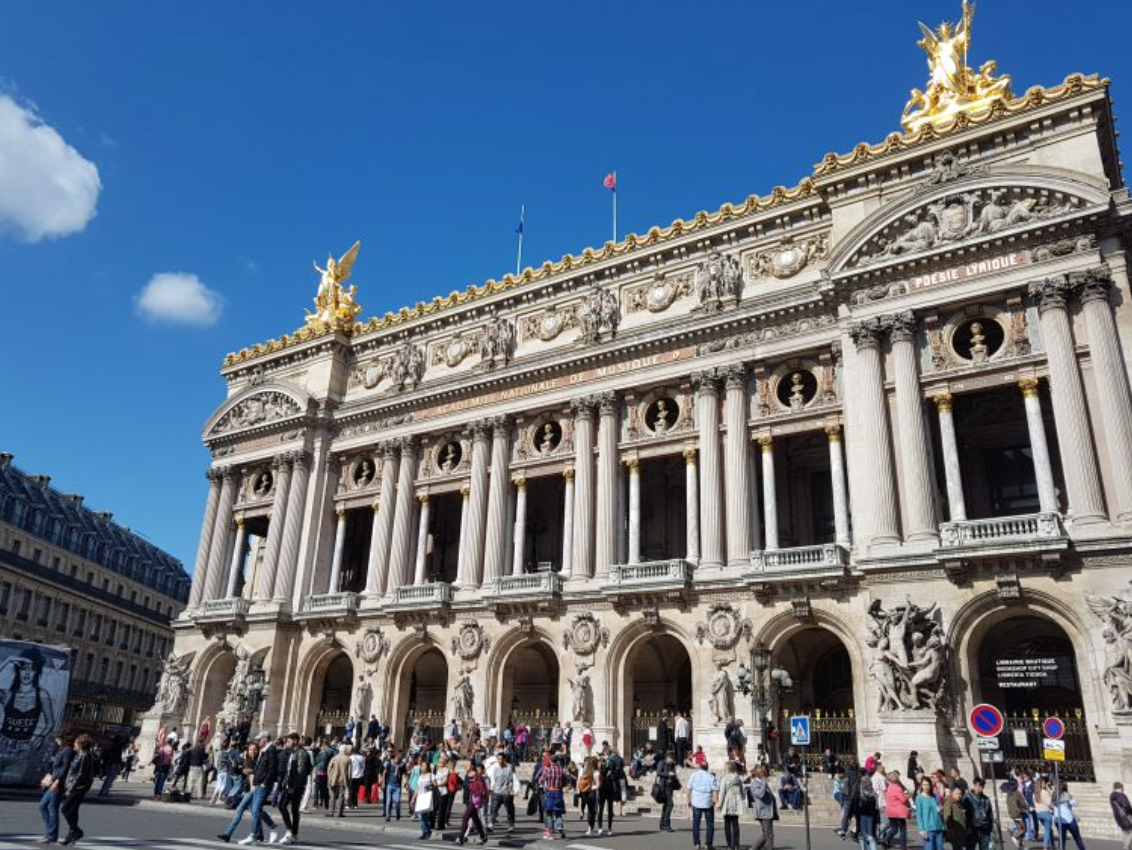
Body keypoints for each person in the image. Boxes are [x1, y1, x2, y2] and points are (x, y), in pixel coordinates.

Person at [57, 734, 95, 847]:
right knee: (73, 810)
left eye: (76, 742)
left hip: (78, 787)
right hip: (75, 786)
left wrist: (71, 788)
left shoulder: (85, 756)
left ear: (81, 744)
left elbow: (80, 774)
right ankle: (71, 835)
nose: (74, 744)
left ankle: (76, 831)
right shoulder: (81, 754)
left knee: (65, 808)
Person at [36, 735, 74, 845]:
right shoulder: (62, 749)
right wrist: (47, 779)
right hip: (53, 781)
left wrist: (57, 781)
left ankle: (51, 835)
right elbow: (54, 767)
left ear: (63, 738)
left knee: (52, 808)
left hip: (58, 784)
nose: (56, 740)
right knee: (42, 806)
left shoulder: (68, 751)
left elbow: (65, 768)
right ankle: (50, 832)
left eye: (57, 738)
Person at [278, 733, 311, 846]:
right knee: (290, 808)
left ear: (295, 740)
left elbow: (300, 772)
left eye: (289, 741)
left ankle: (290, 832)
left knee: (286, 806)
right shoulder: (293, 752)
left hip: (296, 786)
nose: (287, 743)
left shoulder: (301, 753)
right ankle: (293, 833)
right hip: (291, 784)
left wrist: (292, 786)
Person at [687, 758, 718, 850]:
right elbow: (715, 791)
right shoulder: (711, 777)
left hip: (696, 801)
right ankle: (708, 844)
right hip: (707, 801)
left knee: (696, 824)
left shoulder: (694, 775)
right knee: (710, 824)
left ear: (700, 766)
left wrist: (688, 800)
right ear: (707, 767)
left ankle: (696, 843)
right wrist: (715, 802)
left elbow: (689, 788)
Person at [747, 765, 776, 850]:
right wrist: (764, 783)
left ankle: (753, 848)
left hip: (767, 810)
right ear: (760, 774)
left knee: (766, 834)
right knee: (769, 834)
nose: (766, 775)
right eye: (764, 773)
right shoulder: (755, 784)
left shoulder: (761, 782)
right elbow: (760, 794)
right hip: (763, 811)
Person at [539, 750, 566, 840]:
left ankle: (550, 831)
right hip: (558, 792)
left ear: (550, 760)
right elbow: (564, 780)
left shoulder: (548, 769)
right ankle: (560, 827)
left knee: (549, 812)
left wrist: (543, 784)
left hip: (550, 792)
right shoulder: (560, 769)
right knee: (558, 812)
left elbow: (541, 780)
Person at [459, 763, 488, 845]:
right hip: (467, 799)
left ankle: (461, 837)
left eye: (467, 765)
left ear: (472, 766)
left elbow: (479, 787)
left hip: (474, 800)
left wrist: (469, 786)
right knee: (475, 819)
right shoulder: (467, 775)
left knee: (465, 817)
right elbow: (465, 786)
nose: (465, 766)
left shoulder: (476, 775)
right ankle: (483, 836)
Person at [719, 760, 745, 850]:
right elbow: (742, 791)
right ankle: (736, 844)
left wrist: (719, 804)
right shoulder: (738, 778)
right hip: (736, 802)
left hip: (727, 801)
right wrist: (742, 798)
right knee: (735, 824)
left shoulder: (724, 779)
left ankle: (729, 845)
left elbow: (722, 792)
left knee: (727, 824)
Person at [915, 776, 945, 850]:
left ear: (931, 785)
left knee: (940, 848)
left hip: (938, 827)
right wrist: (921, 829)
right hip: (928, 829)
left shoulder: (934, 796)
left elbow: (940, 809)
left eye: (928, 784)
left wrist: (941, 809)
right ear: (921, 785)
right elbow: (919, 815)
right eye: (924, 784)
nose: (926, 787)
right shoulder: (919, 798)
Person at [882, 771, 910, 850]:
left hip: (891, 811)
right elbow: (903, 800)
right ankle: (903, 847)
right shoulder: (897, 788)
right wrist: (907, 796)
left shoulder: (889, 787)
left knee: (894, 828)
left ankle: (886, 840)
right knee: (903, 830)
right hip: (899, 812)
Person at [852, 773, 880, 850]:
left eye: (865, 782)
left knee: (871, 837)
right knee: (862, 836)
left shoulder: (874, 794)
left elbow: (877, 809)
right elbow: (854, 807)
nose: (863, 784)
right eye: (862, 782)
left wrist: (878, 821)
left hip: (871, 818)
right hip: (861, 817)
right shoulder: (858, 794)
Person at [490, 752, 516, 833]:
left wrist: (510, 789)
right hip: (497, 792)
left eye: (501, 759)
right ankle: (491, 824)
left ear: (504, 759)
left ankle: (511, 825)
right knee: (494, 809)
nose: (499, 761)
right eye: (498, 759)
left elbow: (511, 780)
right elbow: (494, 779)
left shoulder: (509, 768)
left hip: (506, 793)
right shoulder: (495, 768)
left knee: (509, 810)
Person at [1055, 782, 1086, 850]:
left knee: (1062, 839)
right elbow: (1075, 803)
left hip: (1058, 820)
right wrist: (1070, 798)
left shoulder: (1054, 796)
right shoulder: (1067, 795)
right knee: (1077, 838)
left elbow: (1051, 807)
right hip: (1069, 820)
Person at [966, 777, 994, 850]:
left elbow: (990, 814)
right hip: (972, 829)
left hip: (985, 829)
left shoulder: (986, 799)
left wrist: (990, 828)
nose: (978, 788)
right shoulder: (967, 798)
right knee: (970, 847)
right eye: (977, 786)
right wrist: (967, 827)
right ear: (974, 786)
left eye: (981, 786)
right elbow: (965, 814)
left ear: (983, 787)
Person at [656, 751, 679, 832]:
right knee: (670, 805)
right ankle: (667, 825)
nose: (672, 760)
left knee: (666, 806)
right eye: (671, 758)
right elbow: (658, 773)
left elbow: (674, 774)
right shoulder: (661, 763)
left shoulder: (672, 765)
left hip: (670, 787)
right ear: (667, 757)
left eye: (673, 759)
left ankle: (662, 824)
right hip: (663, 787)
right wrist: (668, 774)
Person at [413, 759, 436, 839]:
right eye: (422, 766)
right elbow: (417, 788)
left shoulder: (431, 775)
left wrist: (430, 786)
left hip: (427, 796)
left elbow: (435, 785)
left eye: (424, 766)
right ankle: (425, 831)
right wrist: (413, 798)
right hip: (420, 797)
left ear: (427, 767)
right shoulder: (420, 777)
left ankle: (426, 831)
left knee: (423, 815)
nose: (423, 767)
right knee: (421, 815)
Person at [1005, 777, 1030, 849]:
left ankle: (1020, 845)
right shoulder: (1017, 792)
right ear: (1015, 784)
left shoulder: (1008, 793)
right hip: (1017, 813)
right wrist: (1027, 807)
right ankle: (1014, 837)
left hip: (1012, 813)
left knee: (1020, 829)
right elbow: (1022, 803)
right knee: (1023, 829)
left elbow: (1011, 803)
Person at [327, 743, 352, 817]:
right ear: (345, 750)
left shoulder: (334, 758)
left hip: (333, 779)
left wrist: (330, 777)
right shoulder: (348, 759)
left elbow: (329, 769)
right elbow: (349, 772)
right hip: (343, 780)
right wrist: (349, 782)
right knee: (341, 796)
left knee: (332, 796)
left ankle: (331, 812)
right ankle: (339, 813)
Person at [942, 785, 969, 850]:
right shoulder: (949, 803)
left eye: (960, 794)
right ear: (952, 793)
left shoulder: (959, 803)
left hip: (961, 833)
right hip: (954, 834)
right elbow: (947, 818)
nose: (959, 795)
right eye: (957, 793)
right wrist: (951, 831)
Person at [382, 748, 405, 821]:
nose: (398, 760)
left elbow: (405, 774)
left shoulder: (402, 765)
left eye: (399, 759)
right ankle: (388, 816)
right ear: (394, 758)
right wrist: (382, 782)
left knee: (398, 801)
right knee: (388, 802)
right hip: (390, 785)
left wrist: (406, 782)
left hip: (397, 786)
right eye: (397, 759)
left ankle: (398, 813)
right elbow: (384, 772)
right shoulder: (390, 764)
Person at [1112, 782, 1132, 850]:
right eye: (1122, 788)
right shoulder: (1120, 795)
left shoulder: (1112, 795)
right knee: (1130, 831)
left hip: (1118, 817)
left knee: (1124, 831)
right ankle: (1126, 847)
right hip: (1125, 817)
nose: (1123, 789)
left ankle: (1127, 846)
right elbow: (1127, 806)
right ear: (1119, 788)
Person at [348, 745, 365, 809]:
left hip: (352, 776)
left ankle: (350, 804)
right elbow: (363, 767)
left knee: (351, 790)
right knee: (356, 791)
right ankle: (355, 804)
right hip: (359, 776)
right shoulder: (362, 757)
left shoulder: (350, 757)